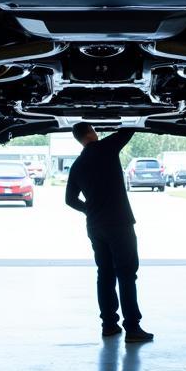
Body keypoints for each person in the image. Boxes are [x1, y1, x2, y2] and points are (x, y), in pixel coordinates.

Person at [66, 122, 154, 343]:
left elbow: (69, 200)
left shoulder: (77, 165)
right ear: (93, 132)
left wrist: (90, 209)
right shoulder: (106, 147)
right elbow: (129, 130)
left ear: (78, 138)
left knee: (104, 275)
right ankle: (133, 328)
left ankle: (109, 325)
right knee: (126, 275)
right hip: (119, 224)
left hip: (96, 226)